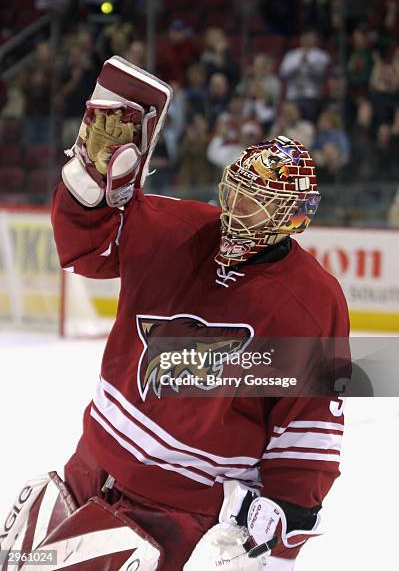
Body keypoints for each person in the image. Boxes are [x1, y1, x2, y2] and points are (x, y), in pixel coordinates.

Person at [4, 61, 349, 570]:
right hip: (92, 467)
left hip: (184, 513)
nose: (236, 209)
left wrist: (284, 520)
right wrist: (88, 192)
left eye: (256, 205)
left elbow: (308, 423)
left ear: (291, 220)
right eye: (235, 190)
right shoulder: (178, 227)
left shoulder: (311, 301)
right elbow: (87, 252)